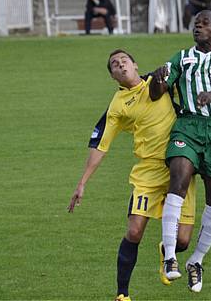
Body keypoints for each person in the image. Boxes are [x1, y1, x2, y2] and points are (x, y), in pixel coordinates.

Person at [68, 50, 197, 301]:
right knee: (135, 231)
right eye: (114, 65)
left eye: (123, 60)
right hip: (148, 171)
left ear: (135, 65)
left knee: (182, 240)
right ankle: (122, 294)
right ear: (113, 76)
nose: (120, 65)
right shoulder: (117, 105)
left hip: (180, 166)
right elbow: (101, 145)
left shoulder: (160, 83)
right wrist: (82, 183)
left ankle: (166, 250)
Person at [149, 10, 211, 293]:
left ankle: (196, 261)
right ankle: (169, 259)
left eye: (204, 24)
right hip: (187, 126)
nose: (198, 28)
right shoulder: (181, 58)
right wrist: (157, 78)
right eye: (195, 24)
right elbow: (157, 92)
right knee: (177, 181)